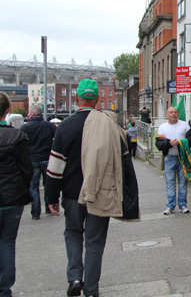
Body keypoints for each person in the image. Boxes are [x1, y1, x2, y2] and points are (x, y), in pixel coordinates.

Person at [46, 79, 126, 297]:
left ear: (77, 98)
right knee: (94, 241)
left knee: (72, 233)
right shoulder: (110, 125)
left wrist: (51, 196)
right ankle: (91, 290)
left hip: (72, 194)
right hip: (100, 193)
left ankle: (74, 277)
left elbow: (55, 167)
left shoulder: (65, 126)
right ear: (98, 100)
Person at [0, 92, 33, 297]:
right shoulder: (18, 136)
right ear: (8, 110)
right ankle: (4, 289)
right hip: (12, 198)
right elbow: (27, 169)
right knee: (7, 242)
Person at [156, 107, 191, 215]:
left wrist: (181, 142)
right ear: (167, 115)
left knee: (183, 183)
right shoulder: (162, 127)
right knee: (170, 183)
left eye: (175, 112)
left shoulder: (184, 125)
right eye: (171, 112)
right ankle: (170, 206)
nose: (173, 114)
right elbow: (158, 144)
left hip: (182, 158)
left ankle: (183, 205)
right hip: (169, 157)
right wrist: (169, 143)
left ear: (178, 114)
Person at [20, 104, 57, 220]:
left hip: (33, 160)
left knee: (34, 186)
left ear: (32, 113)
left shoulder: (25, 128)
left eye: (29, 112)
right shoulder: (49, 126)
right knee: (48, 184)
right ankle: (48, 207)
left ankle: (35, 213)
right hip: (47, 159)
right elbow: (57, 137)